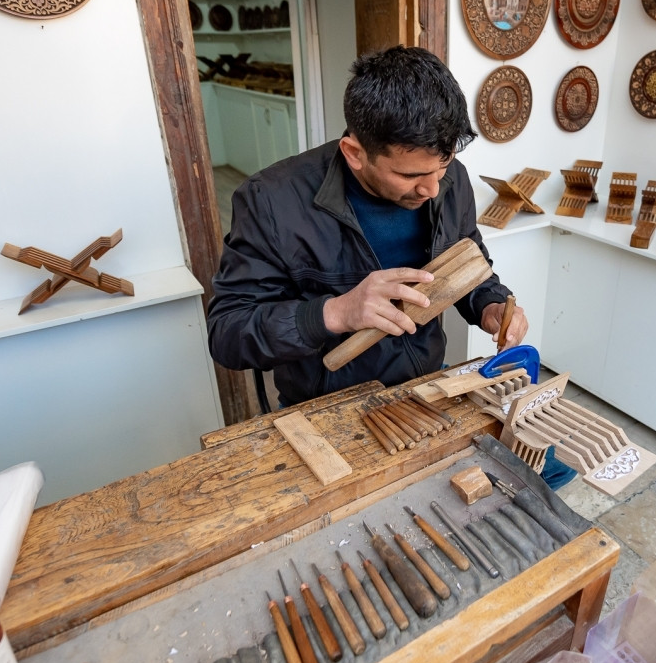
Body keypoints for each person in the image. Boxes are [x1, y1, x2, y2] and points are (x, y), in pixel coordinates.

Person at [207, 45, 529, 409]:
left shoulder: (449, 179)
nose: (431, 188)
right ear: (354, 153)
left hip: (424, 387)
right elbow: (228, 333)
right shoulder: (271, 201)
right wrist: (336, 312)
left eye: (443, 165)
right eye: (410, 175)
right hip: (327, 406)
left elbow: (467, 258)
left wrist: (490, 303)